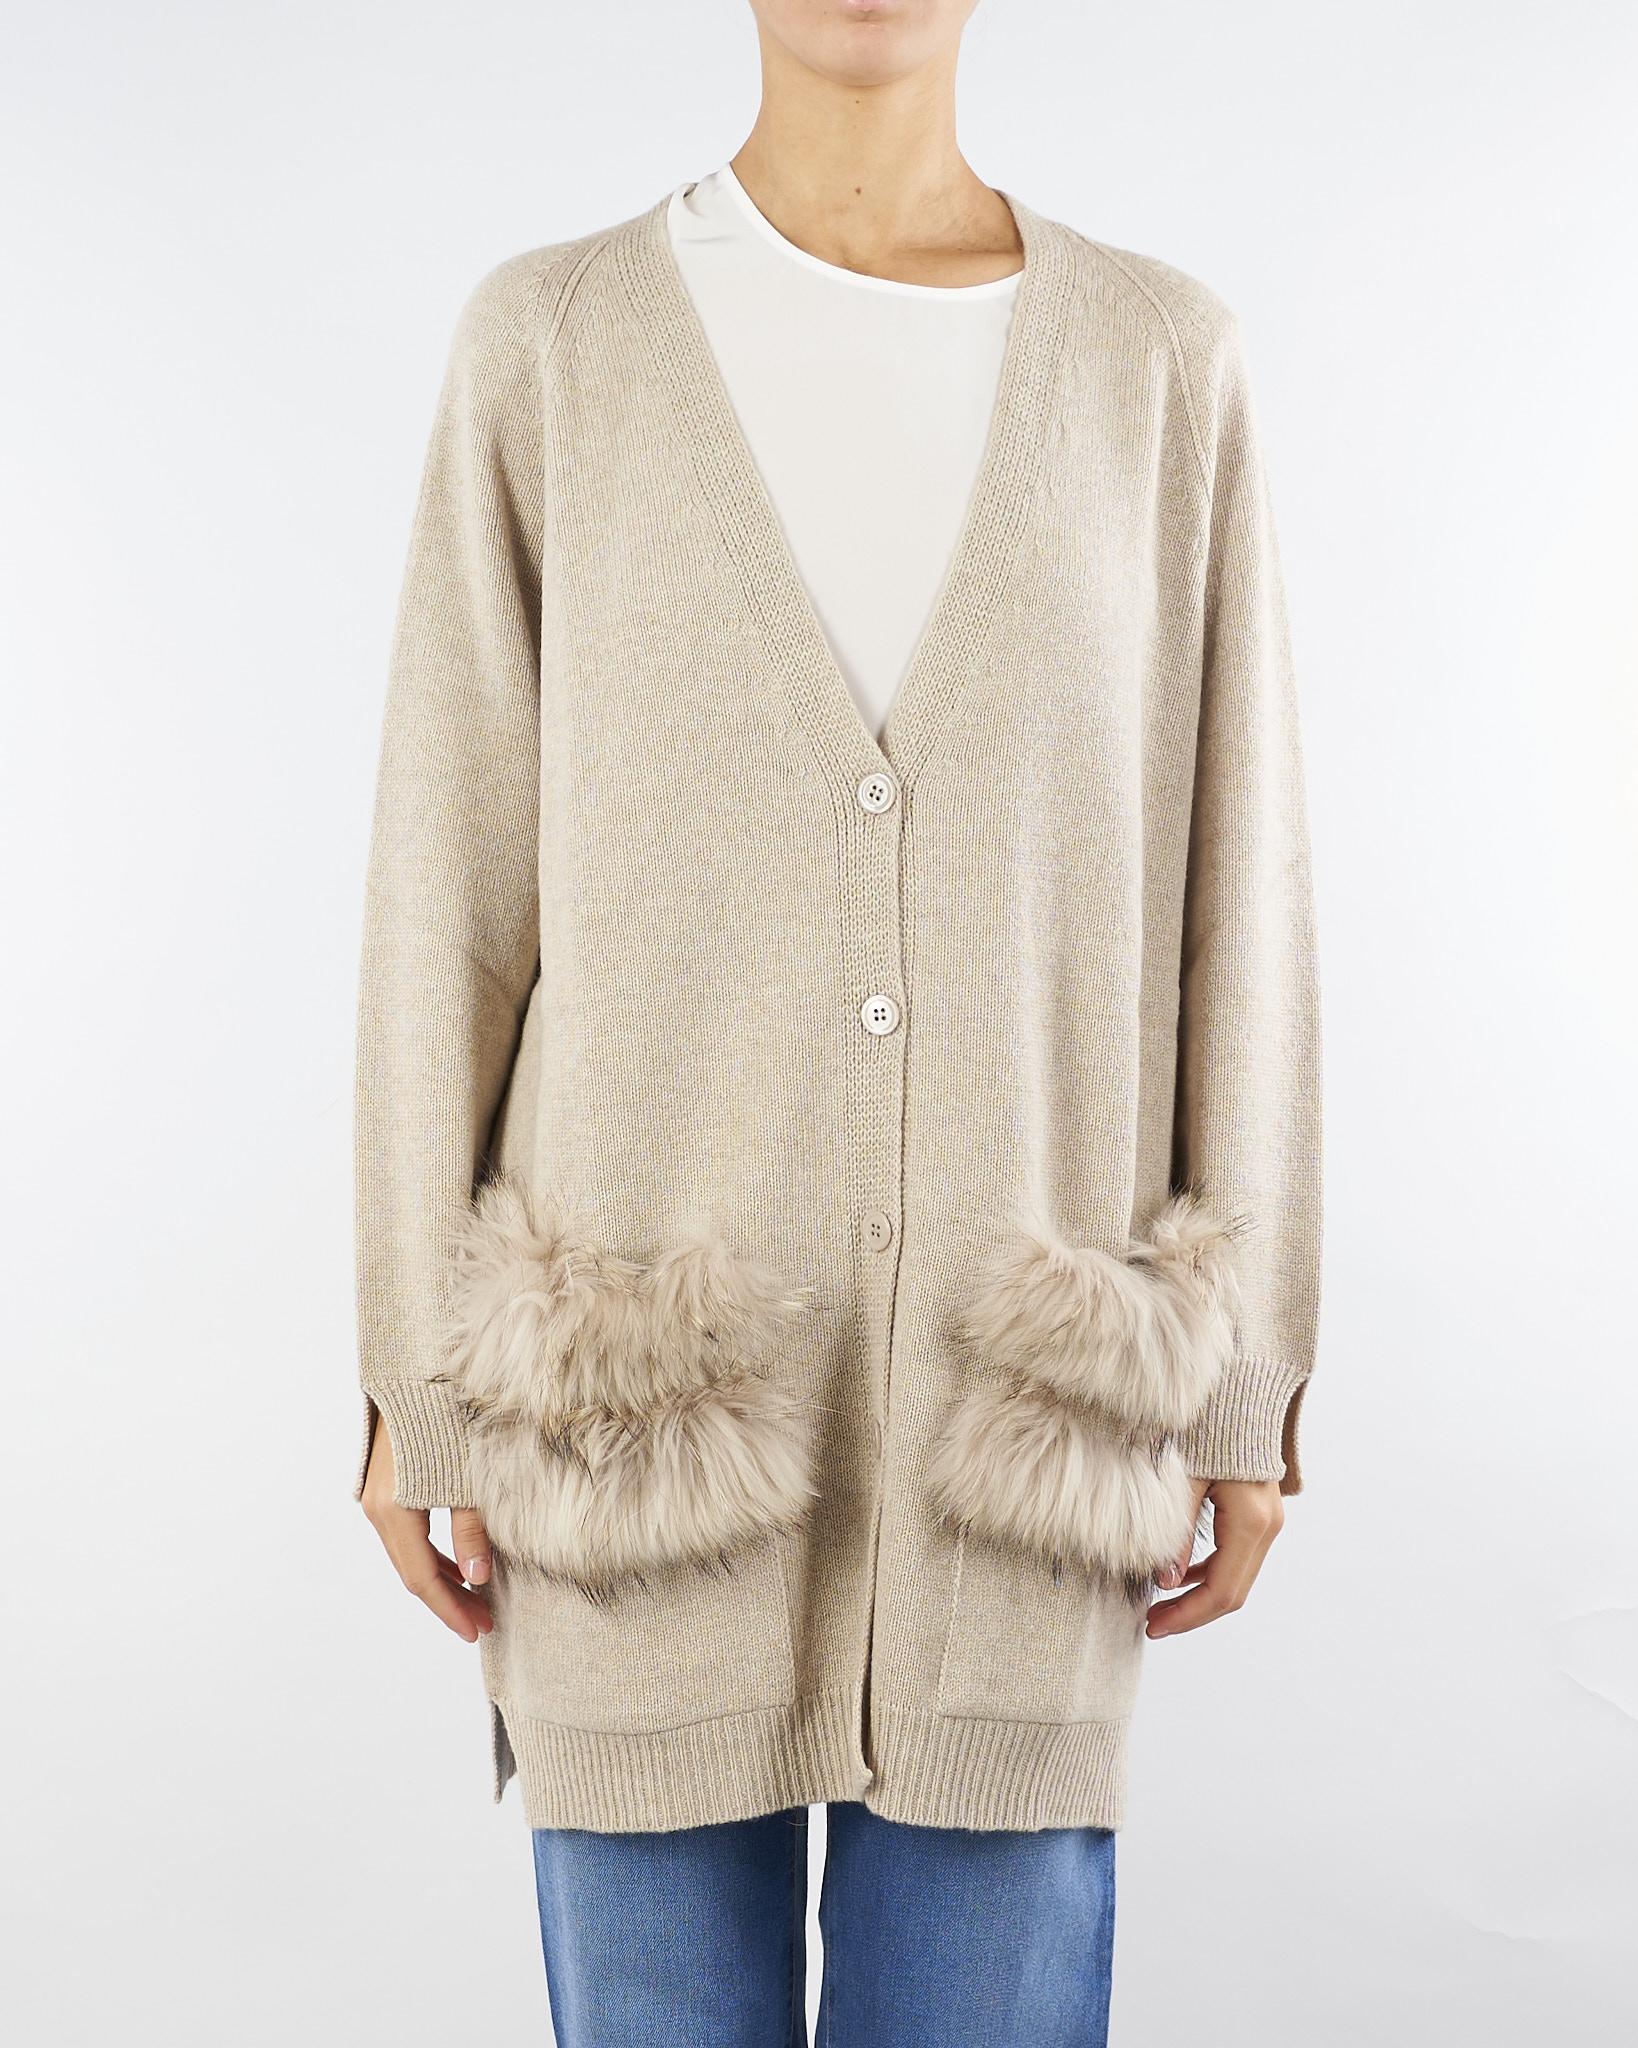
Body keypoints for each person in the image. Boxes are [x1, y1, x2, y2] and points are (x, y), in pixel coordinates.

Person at [353, 1, 1320, 2041]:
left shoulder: (1161, 364)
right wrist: (412, 1379)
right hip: (629, 1445)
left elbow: (1241, 900)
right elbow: (448, 899)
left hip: (1021, 1446)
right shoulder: (554, 345)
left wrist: (1247, 1379)